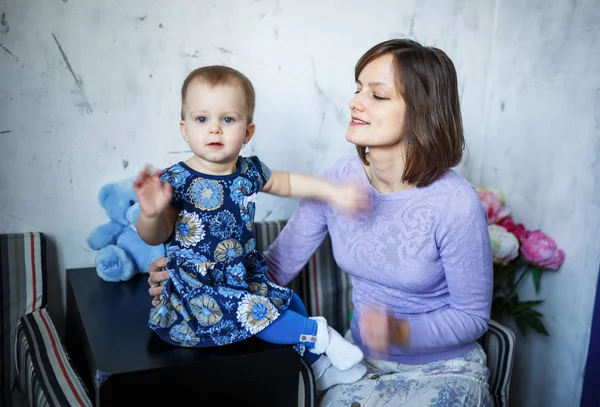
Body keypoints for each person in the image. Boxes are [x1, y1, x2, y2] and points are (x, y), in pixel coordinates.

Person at [148, 39, 493, 405]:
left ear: (421, 113)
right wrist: (195, 280)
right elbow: (275, 268)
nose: (354, 101)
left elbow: (471, 316)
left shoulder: (456, 203)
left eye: (377, 95)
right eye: (358, 88)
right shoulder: (338, 179)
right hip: (357, 362)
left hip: (444, 370)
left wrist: (398, 332)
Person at [135, 65, 369, 376]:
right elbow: (155, 235)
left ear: (247, 132)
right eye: (202, 119)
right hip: (200, 287)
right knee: (256, 313)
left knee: (290, 303)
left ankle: (316, 368)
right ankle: (319, 336)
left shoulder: (249, 171)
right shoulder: (176, 180)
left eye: (227, 119)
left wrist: (333, 192)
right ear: (185, 129)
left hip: (241, 274)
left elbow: (288, 183)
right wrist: (151, 213)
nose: (215, 128)